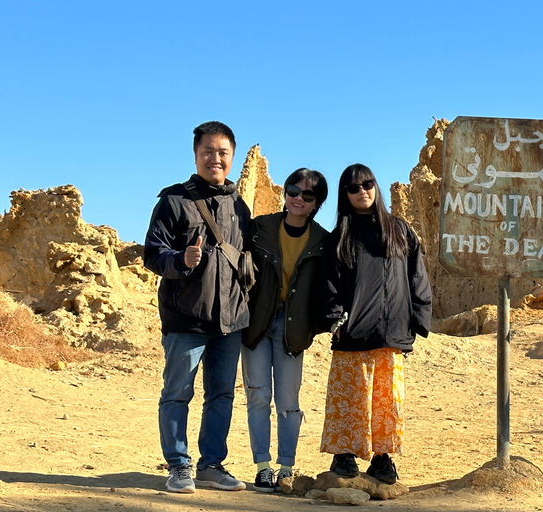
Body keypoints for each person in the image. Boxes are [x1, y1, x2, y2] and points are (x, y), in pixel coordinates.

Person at [144, 121, 250, 493]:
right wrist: (182, 259)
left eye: (222, 152)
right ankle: (178, 466)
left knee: (221, 395)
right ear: (196, 155)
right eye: (208, 151)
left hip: (230, 320)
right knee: (177, 393)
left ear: (232, 157)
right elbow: (152, 254)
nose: (215, 158)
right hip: (186, 318)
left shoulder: (239, 204)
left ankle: (211, 465)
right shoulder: (174, 200)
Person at [318, 163, 432, 485]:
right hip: (352, 334)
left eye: (367, 184)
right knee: (350, 397)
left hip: (391, 333)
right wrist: (334, 319)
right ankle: (344, 456)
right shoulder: (340, 236)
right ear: (345, 195)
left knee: (386, 401)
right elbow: (328, 283)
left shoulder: (400, 230)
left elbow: (417, 277)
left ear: (375, 186)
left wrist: (417, 320)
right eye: (353, 188)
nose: (362, 191)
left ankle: (383, 460)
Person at [241, 168, 329, 493]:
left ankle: (286, 467)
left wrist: (315, 326)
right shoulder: (261, 227)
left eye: (307, 195)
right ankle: (263, 467)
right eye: (293, 190)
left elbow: (328, 290)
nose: (297, 198)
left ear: (316, 203)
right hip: (257, 322)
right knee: (258, 395)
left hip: (293, 329)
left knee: (289, 401)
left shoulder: (322, 240)